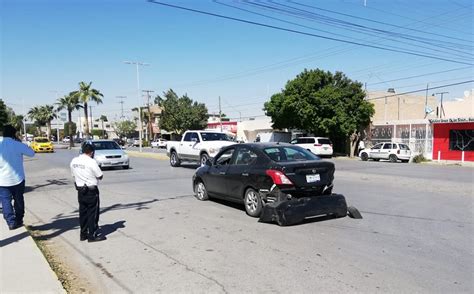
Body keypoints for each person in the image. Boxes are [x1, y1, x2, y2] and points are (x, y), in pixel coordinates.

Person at [0, 125, 35, 230]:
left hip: (2, 180)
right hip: (18, 179)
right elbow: (32, 153)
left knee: (5, 201)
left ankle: (11, 222)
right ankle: (19, 220)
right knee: (19, 200)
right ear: (14, 134)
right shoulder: (17, 144)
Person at [70, 143, 106, 242]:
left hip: (80, 190)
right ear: (91, 152)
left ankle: (83, 234)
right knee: (92, 214)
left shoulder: (74, 161)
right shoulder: (91, 162)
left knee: (83, 213)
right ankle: (92, 235)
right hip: (91, 191)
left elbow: (73, 175)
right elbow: (100, 176)